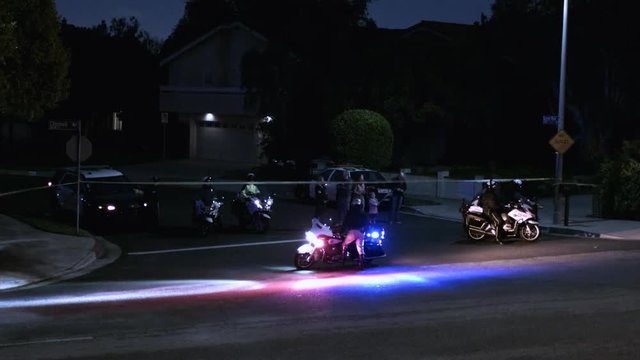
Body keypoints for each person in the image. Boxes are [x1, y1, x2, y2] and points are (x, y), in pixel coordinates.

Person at [341, 197, 368, 269]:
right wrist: (364, 230)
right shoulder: (363, 213)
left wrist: (342, 231)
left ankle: (343, 261)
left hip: (352, 231)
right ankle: (361, 263)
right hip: (361, 232)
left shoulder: (350, 212)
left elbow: (345, 223)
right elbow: (367, 223)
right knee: (360, 248)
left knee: (344, 244)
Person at [479, 180, 504, 245]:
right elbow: (492, 204)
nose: (495, 187)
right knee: (499, 222)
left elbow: (496, 201)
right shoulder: (489, 195)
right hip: (490, 210)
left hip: (490, 209)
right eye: (494, 186)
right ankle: (498, 238)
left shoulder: (490, 193)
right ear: (490, 187)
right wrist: (500, 207)